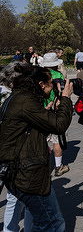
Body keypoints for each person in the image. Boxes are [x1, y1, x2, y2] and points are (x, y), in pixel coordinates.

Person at [0, 63, 73, 231]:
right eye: (51, 82)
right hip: (27, 173)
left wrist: (46, 111)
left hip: (22, 170)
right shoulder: (25, 101)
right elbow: (59, 124)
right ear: (40, 84)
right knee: (53, 223)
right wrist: (66, 98)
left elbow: (27, 126)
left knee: (42, 221)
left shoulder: (20, 97)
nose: (54, 86)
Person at [0, 61, 34, 232]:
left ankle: (10, 229)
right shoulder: (13, 99)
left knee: (14, 197)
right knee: (22, 197)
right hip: (13, 154)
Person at [41, 52, 70, 177]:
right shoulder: (58, 75)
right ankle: (58, 167)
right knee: (56, 140)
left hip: (41, 109)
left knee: (42, 140)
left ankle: (44, 167)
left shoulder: (38, 76)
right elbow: (63, 91)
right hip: (55, 110)